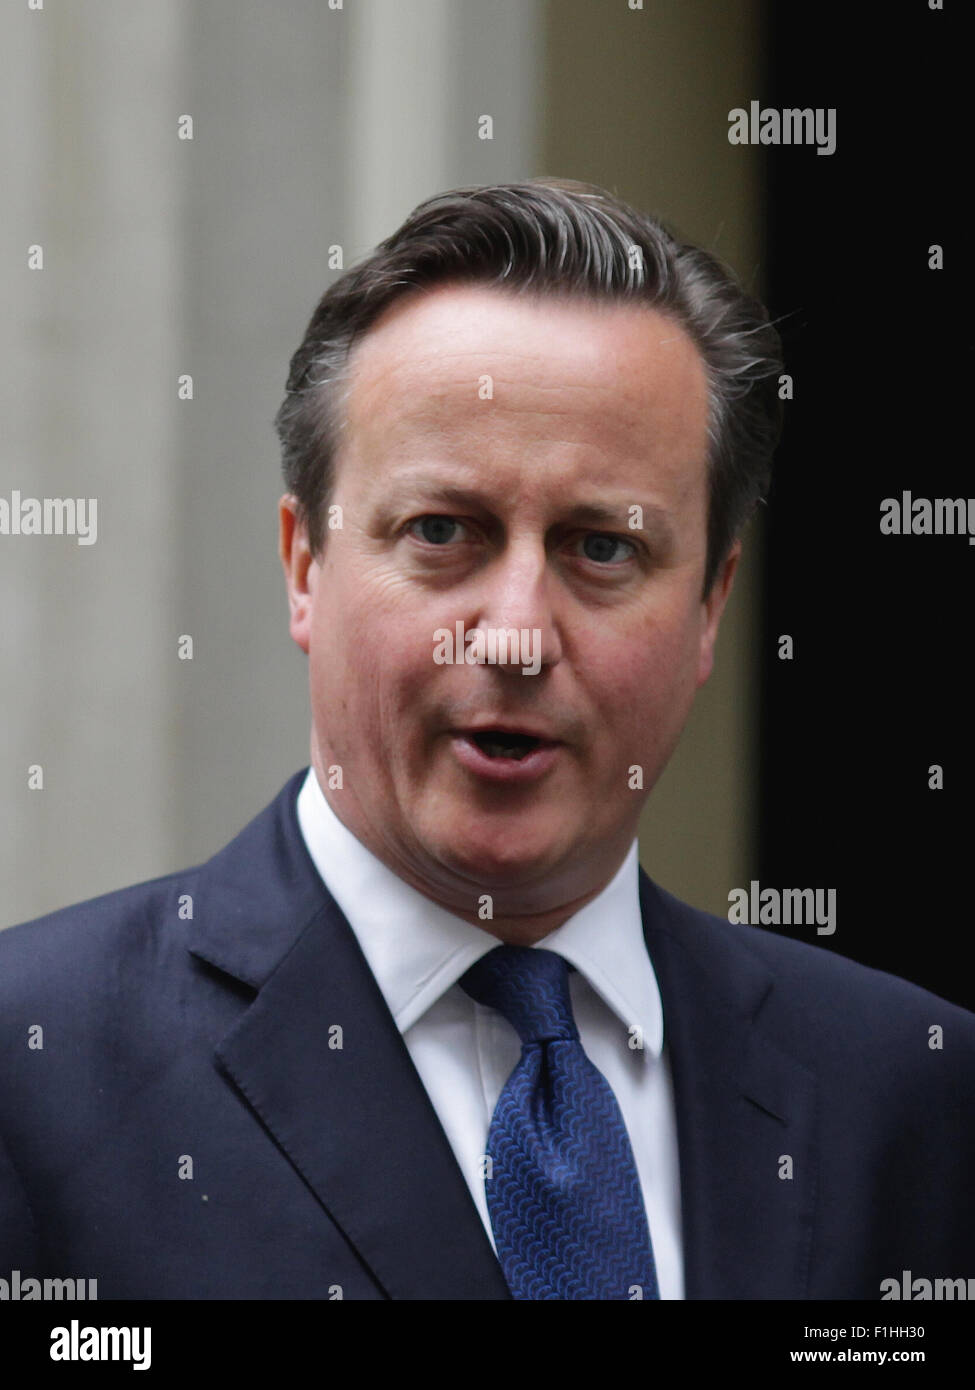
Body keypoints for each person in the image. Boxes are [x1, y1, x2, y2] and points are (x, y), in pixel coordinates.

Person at [1, 180, 972, 1301]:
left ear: (710, 604)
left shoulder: (914, 1096)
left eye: (602, 547)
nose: (514, 635)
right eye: (444, 531)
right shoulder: (35, 1077)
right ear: (303, 567)